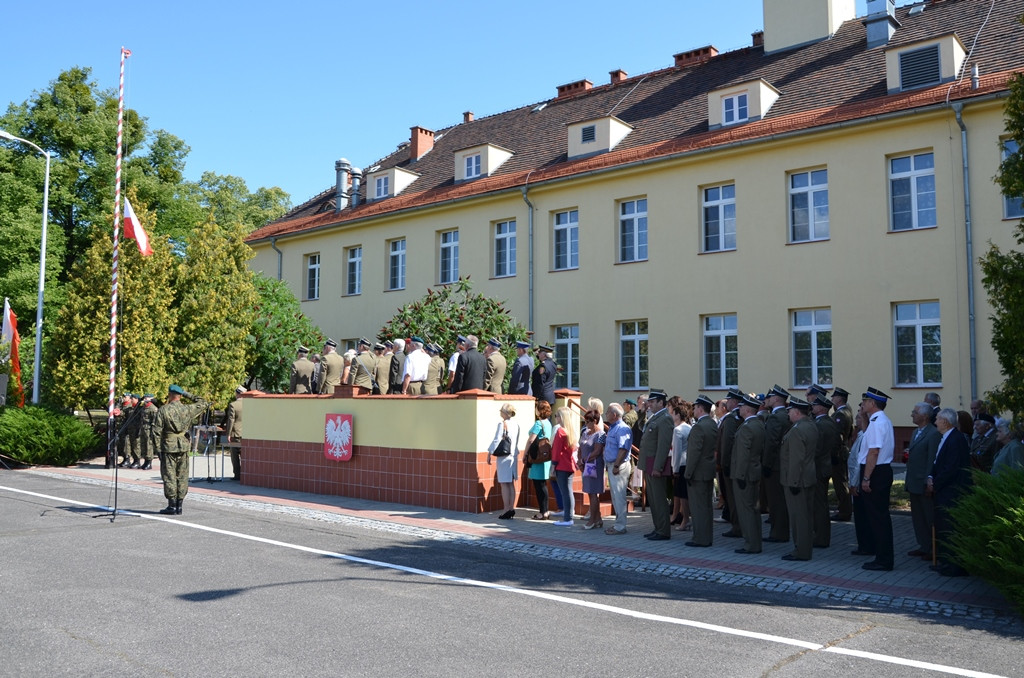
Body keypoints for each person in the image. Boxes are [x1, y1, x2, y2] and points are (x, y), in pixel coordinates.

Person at [927, 408, 973, 577]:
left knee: (950, 527)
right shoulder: (946, 437)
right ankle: (945, 562)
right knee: (943, 527)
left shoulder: (956, 439)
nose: (935, 421)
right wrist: (931, 476)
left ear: (945, 422)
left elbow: (951, 468)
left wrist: (936, 483)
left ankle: (954, 565)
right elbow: (937, 461)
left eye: (938, 419)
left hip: (952, 492)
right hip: (944, 490)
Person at [154, 385, 208, 515]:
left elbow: (156, 432)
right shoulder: (187, 409)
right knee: (182, 475)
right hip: (183, 446)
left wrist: (158, 449)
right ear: (180, 395)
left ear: (170, 394)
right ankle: (180, 505)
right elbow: (203, 402)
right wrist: (187, 393)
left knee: (169, 475)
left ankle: (172, 505)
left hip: (168, 446)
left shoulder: (163, 410)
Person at [858, 387, 896, 571]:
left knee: (878, 518)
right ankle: (882, 556)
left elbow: (873, 452)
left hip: (876, 472)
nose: (863, 404)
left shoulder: (878, 422)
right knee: (878, 517)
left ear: (872, 403)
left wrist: (866, 478)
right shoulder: (878, 420)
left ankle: (884, 559)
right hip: (880, 471)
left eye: (865, 401)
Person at [779, 397, 818, 561]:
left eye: (789, 411)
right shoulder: (811, 426)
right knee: (806, 516)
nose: (788, 414)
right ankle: (805, 548)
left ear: (796, 412)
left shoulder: (797, 430)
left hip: (796, 480)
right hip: (808, 477)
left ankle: (801, 550)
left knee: (798, 517)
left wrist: (793, 481)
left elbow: (796, 459)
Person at [905, 402, 941, 561]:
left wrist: (929, 480)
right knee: (917, 517)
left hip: (923, 482)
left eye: (915, 412)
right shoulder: (915, 432)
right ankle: (923, 545)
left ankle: (933, 548)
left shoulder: (933, 434)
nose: (912, 414)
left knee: (928, 516)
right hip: (913, 480)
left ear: (925, 416)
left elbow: (931, 459)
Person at [637, 389, 673, 541]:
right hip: (649, 464)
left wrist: (658, 467)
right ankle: (658, 528)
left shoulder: (665, 418)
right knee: (653, 499)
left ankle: (663, 530)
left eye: (652, 402)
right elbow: (642, 428)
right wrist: (642, 412)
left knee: (659, 499)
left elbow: (663, 446)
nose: (649, 404)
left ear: (661, 402)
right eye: (649, 402)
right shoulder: (655, 417)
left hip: (655, 465)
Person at [731, 394, 764, 555]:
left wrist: (740, 475)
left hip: (744, 474)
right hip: (754, 471)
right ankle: (755, 541)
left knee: (746, 510)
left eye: (742, 406)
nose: (739, 408)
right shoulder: (758, 424)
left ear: (748, 409)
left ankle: (751, 544)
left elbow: (743, 455)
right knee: (753, 509)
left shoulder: (747, 427)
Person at [684, 396, 717, 547]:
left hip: (698, 472)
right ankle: (706, 536)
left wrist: (688, 473)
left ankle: (700, 538)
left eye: (695, 407)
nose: (693, 410)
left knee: (698, 508)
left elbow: (694, 453)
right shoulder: (711, 424)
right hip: (708, 470)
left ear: (700, 408)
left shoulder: (698, 427)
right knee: (706, 507)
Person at [763, 385, 792, 543]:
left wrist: (766, 464)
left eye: (770, 397)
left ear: (776, 399)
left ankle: (778, 533)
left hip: (775, 465)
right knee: (779, 499)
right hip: (782, 463)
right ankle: (779, 531)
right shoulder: (784, 414)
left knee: (776, 501)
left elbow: (771, 443)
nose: (767, 399)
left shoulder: (775, 417)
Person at [811, 395, 839, 548]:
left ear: (821, 408)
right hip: (822, 466)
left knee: (819, 505)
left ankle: (821, 538)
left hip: (819, 467)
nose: (812, 407)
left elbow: (818, 448)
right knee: (818, 504)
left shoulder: (823, 424)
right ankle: (819, 535)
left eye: (815, 405)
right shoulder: (824, 422)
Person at [717, 389, 743, 538]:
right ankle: (737, 526)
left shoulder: (732, 418)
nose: (728, 403)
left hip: (730, 464)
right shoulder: (735, 417)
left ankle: (737, 527)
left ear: (735, 402)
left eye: (730, 400)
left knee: (732, 499)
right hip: (732, 463)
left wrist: (723, 463)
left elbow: (727, 443)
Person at [603, 403, 633, 535]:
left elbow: (623, 448)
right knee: (615, 496)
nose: (606, 414)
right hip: (613, 465)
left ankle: (620, 526)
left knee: (619, 496)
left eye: (608, 412)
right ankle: (618, 523)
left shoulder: (622, 428)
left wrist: (616, 465)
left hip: (618, 466)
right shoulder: (613, 427)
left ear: (614, 415)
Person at [487, 403, 521, 519]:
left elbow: (497, 440)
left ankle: (506, 509)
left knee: (504, 483)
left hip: (504, 456)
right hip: (513, 456)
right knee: (511, 483)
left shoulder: (502, 424)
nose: (500, 412)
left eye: (501, 410)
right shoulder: (516, 425)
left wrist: (490, 452)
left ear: (505, 413)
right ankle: (511, 508)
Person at [551, 407, 580, 526]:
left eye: (557, 415)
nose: (556, 417)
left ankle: (568, 519)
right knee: (569, 492)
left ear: (561, 417)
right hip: (569, 464)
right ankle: (569, 516)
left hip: (562, 465)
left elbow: (556, 451)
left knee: (565, 492)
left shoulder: (560, 431)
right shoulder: (570, 430)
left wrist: (553, 465)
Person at [525, 400, 553, 519]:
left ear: (539, 410)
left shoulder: (538, 424)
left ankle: (543, 512)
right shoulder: (548, 423)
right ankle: (545, 510)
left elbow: (531, 439)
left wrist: (525, 453)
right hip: (546, 457)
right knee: (543, 485)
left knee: (539, 486)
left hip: (537, 457)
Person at [829, 387, 854, 521]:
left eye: (834, 397)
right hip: (842, 450)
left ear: (839, 399)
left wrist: (834, 453)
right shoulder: (846, 411)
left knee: (840, 483)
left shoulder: (841, 414)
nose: (832, 399)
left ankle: (845, 512)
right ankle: (844, 509)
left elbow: (837, 435)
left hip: (838, 452)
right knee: (841, 482)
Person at [579, 408, 606, 530]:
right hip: (585, 465)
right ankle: (598, 518)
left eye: (589, 420)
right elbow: (580, 447)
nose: (586, 423)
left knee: (593, 492)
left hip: (594, 466)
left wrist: (585, 459)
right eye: (585, 420)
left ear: (595, 421)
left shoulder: (600, 434)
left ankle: (592, 520)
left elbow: (597, 451)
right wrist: (580, 460)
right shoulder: (585, 432)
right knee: (590, 492)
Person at [669, 400, 693, 532]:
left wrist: (675, 468)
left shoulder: (677, 430)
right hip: (689, 463)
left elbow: (676, 452)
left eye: (673, 413)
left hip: (681, 464)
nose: (672, 416)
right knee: (686, 494)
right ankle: (686, 519)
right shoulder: (689, 427)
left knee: (682, 494)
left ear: (678, 415)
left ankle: (685, 520)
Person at [223, 385, 245, 480]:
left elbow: (231, 420)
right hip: (246, 434)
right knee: (245, 455)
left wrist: (228, 434)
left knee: (234, 456)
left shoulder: (233, 405)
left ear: (237, 393)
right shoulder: (250, 404)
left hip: (235, 433)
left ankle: (237, 474)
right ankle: (245, 473)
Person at [138, 393, 158, 471]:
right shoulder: (143, 407)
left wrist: (153, 431)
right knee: (143, 445)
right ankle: (145, 461)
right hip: (143, 427)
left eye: (147, 397)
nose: (145, 399)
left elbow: (155, 421)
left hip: (149, 429)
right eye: (145, 397)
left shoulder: (153, 408)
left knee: (149, 445)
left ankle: (149, 462)